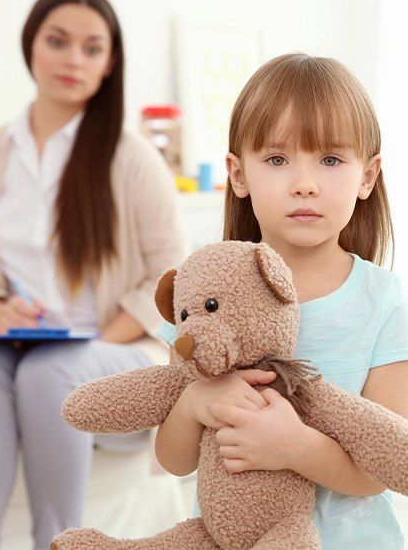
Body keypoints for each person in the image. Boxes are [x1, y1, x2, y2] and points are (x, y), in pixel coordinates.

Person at [155, 53, 408, 549]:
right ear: (238, 175)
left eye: (330, 160)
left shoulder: (383, 301)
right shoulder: (204, 294)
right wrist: (195, 402)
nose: (304, 184)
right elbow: (172, 460)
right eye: (276, 159)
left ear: (367, 176)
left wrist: (294, 446)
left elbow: (385, 464)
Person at [0, 0, 187, 550]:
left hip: (115, 350)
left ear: (109, 63)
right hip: (11, 346)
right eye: (58, 42)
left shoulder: (132, 158)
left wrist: (93, 340)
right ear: (31, 45)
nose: (73, 59)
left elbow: (173, 276)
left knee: (50, 371)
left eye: (91, 48)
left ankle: (60, 541)